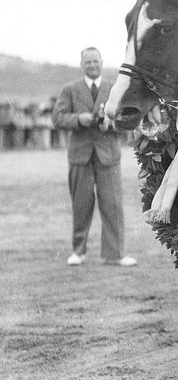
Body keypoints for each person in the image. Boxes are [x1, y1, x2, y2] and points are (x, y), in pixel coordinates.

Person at [52, 47, 137, 267]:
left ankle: (115, 254)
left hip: (107, 154)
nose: (92, 65)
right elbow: (57, 118)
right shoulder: (69, 89)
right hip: (80, 155)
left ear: (102, 62)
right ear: (82, 65)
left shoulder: (114, 88)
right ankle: (78, 251)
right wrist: (78, 118)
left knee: (112, 205)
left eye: (95, 61)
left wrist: (111, 123)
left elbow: (127, 119)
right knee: (81, 205)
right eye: (87, 62)